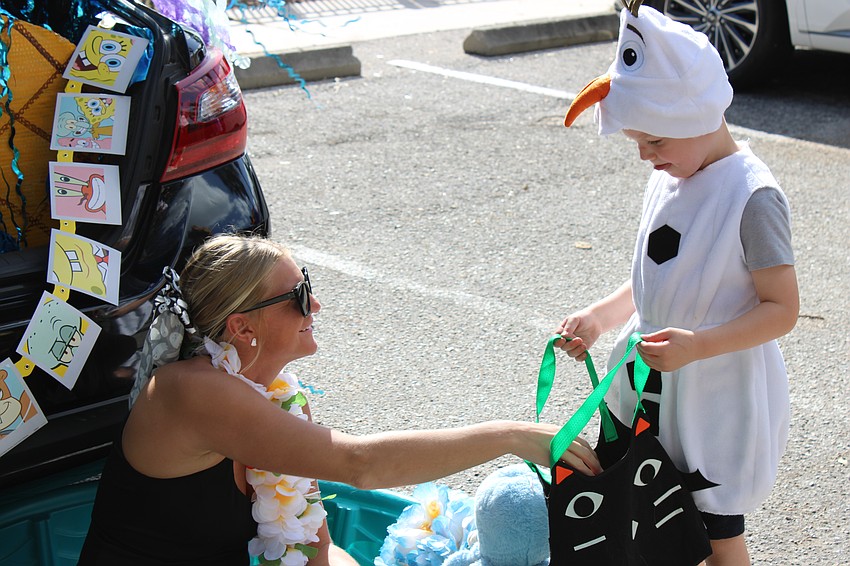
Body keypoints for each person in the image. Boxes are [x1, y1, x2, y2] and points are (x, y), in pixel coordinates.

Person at [78, 233, 601, 566]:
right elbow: (360, 463)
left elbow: (314, 549)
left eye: (308, 284)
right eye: (298, 295)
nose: (317, 303)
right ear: (242, 326)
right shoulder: (192, 392)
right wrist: (508, 436)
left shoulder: (276, 398)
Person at [554, 4, 799, 566]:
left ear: (698, 115)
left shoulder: (752, 197)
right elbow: (657, 279)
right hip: (647, 378)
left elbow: (783, 309)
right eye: (639, 141)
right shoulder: (672, 173)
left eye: (655, 141)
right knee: (644, 506)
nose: (645, 155)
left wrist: (701, 345)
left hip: (714, 393)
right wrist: (600, 317)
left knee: (713, 524)